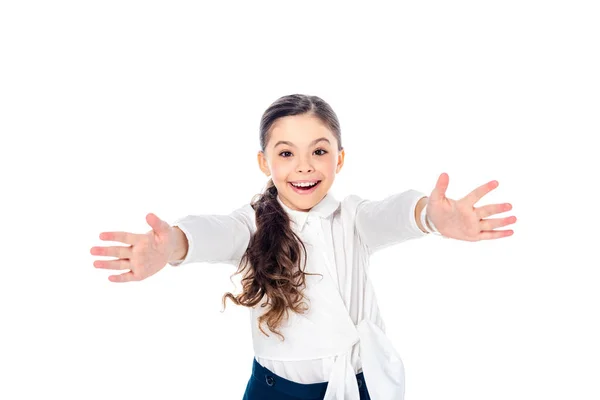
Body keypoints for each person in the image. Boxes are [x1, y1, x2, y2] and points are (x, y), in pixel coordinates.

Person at [90, 94, 517, 400]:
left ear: (340, 159)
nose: (304, 166)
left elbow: (394, 213)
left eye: (318, 150)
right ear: (265, 162)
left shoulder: (352, 217)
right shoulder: (252, 223)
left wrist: (431, 217)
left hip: (358, 382)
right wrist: (173, 246)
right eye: (286, 153)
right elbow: (213, 232)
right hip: (279, 391)